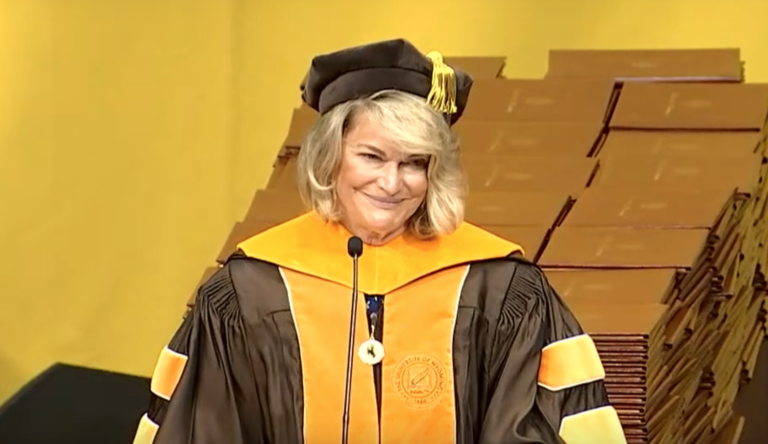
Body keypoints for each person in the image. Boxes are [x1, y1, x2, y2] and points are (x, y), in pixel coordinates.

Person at [131, 39, 627, 444]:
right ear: (330, 157)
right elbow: (199, 430)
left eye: (414, 163)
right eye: (372, 157)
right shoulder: (250, 290)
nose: (391, 183)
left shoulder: (498, 287)